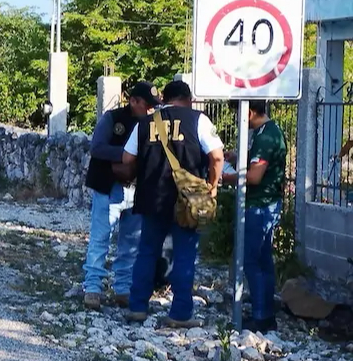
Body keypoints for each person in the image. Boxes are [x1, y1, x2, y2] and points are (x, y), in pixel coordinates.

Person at [122, 80, 225, 327]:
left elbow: (127, 158)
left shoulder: (145, 123)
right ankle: (179, 313)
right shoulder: (198, 120)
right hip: (186, 201)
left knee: (146, 252)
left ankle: (138, 307)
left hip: (151, 197)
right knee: (184, 255)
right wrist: (211, 186)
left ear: (164, 99)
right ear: (188, 99)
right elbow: (217, 156)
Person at [82, 82, 159, 310]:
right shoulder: (113, 119)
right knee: (100, 238)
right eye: (147, 105)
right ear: (133, 101)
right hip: (109, 187)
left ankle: (123, 289)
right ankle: (93, 288)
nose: (151, 110)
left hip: (137, 190)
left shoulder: (153, 125)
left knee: (130, 242)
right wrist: (126, 155)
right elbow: (97, 147)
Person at [222, 100, 287, 333]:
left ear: (249, 111)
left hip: (260, 205)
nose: (237, 120)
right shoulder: (266, 132)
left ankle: (261, 316)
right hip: (265, 203)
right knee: (263, 260)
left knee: (251, 260)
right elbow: (257, 161)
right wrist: (236, 157)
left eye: (238, 114)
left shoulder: (265, 136)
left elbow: (255, 176)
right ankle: (265, 310)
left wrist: (225, 178)